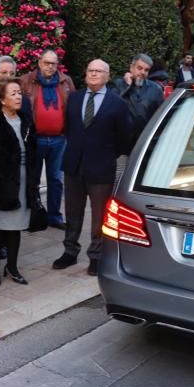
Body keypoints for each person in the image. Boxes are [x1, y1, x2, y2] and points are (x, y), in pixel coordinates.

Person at [53, 59, 132, 275]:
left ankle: (96, 256)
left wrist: (104, 154)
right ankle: (70, 252)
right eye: (90, 70)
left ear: (107, 76)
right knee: (72, 213)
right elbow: (69, 129)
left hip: (101, 168)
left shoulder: (117, 104)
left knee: (99, 217)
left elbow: (123, 139)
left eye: (98, 71)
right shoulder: (75, 98)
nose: (93, 74)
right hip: (74, 167)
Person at [0, 79, 37, 286]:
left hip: (22, 181)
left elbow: (34, 152)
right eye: (13, 93)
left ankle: (11, 266)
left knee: (16, 227)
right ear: (2, 100)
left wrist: (33, 181)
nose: (19, 97)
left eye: (19, 93)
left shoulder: (26, 120)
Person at [18, 50, 74, 230]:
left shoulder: (65, 82)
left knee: (56, 180)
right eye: (47, 63)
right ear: (39, 62)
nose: (50, 67)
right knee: (32, 179)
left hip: (59, 140)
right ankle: (31, 214)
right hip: (36, 139)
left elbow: (72, 106)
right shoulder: (26, 81)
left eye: (54, 63)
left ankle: (54, 216)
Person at [112, 53, 163, 149]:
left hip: (145, 144)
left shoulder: (155, 89)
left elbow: (161, 116)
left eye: (146, 70)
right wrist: (127, 86)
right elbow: (111, 106)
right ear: (131, 68)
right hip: (121, 144)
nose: (143, 72)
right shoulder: (118, 84)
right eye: (139, 68)